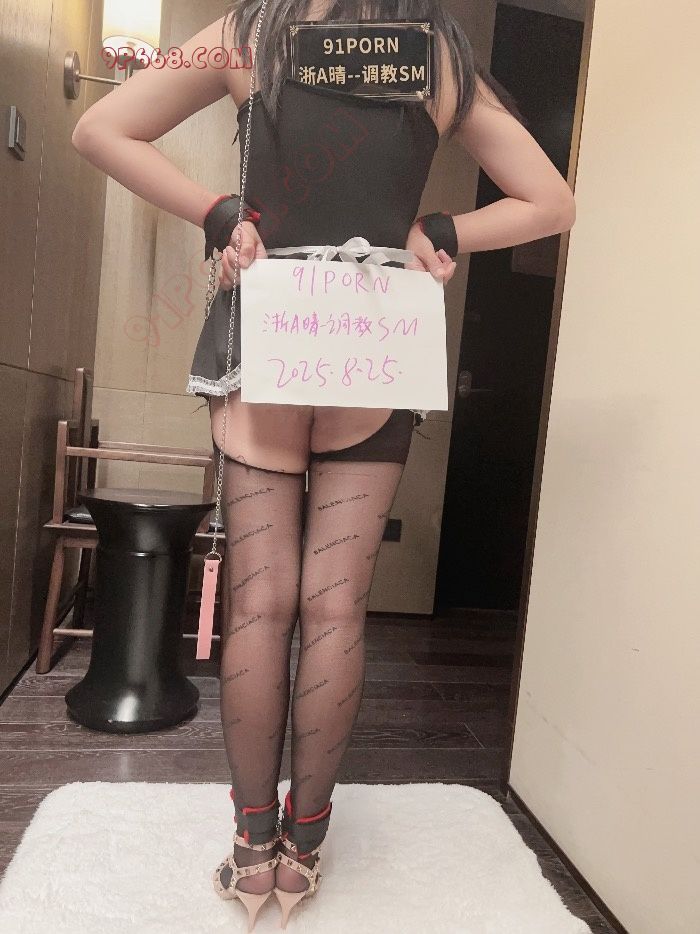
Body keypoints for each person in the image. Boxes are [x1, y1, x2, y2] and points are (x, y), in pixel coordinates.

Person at [72, 0, 576, 928]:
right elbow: (552, 201)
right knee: (336, 607)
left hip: (272, 324)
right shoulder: (436, 53)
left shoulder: (249, 32)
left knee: (259, 604)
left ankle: (251, 852)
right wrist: (442, 231)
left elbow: (99, 127)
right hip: (372, 338)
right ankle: (304, 852)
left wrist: (221, 211)